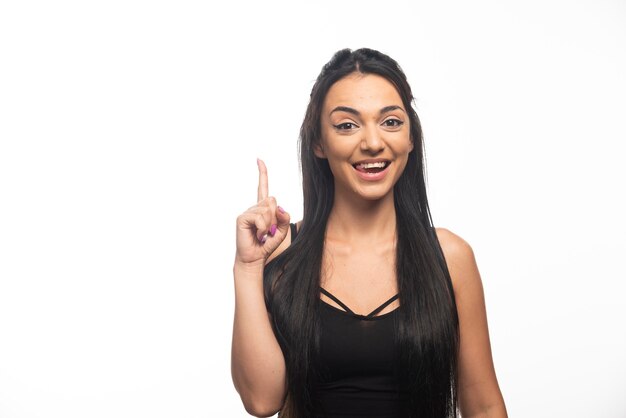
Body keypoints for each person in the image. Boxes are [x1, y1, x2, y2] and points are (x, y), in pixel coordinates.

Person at [231, 48, 507, 418]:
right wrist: (248, 268)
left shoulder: (450, 258)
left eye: (391, 122)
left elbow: (485, 407)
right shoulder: (282, 252)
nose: (374, 143)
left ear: (410, 137)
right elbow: (262, 401)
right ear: (318, 144)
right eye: (347, 125)